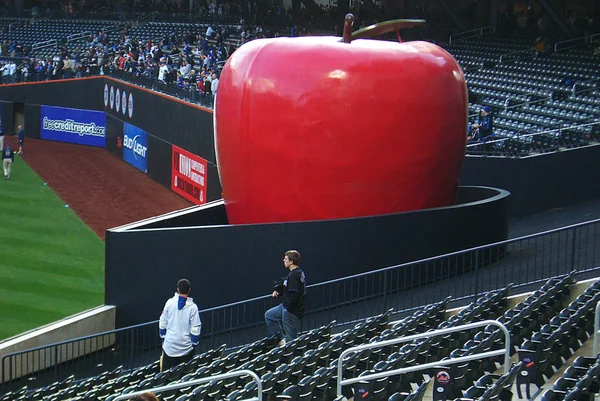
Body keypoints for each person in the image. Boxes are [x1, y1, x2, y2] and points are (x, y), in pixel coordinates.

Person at [265, 250, 307, 346]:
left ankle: (292, 356)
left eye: (286, 259)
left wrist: (287, 309)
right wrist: (278, 291)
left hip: (291, 310)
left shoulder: (294, 275)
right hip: (286, 306)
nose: (284, 260)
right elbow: (286, 286)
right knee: (270, 315)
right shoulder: (294, 273)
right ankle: (279, 339)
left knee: (291, 339)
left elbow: (294, 294)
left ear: (291, 262)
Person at [159, 279, 201, 372]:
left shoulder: (169, 303)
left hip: (169, 348)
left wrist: (163, 339)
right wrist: (193, 345)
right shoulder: (193, 308)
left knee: (166, 377)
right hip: (186, 349)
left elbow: (162, 323)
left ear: (178, 289)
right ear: (189, 290)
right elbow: (195, 329)